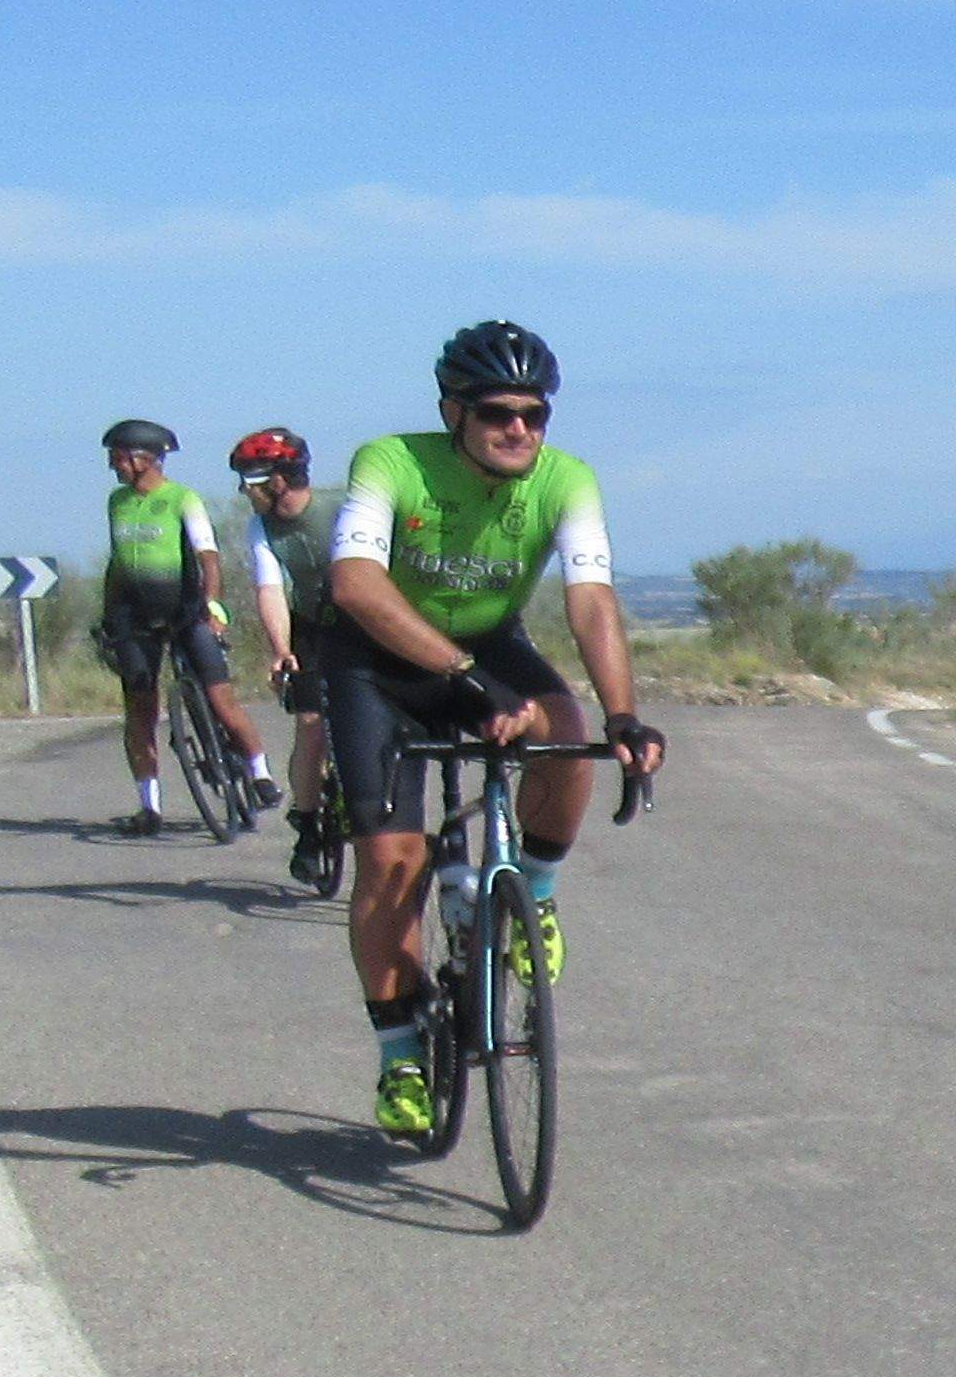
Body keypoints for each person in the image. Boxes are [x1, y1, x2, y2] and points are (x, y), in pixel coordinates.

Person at [318, 324, 666, 1136]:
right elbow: (357, 585)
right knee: (390, 863)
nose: (520, 430)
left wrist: (623, 716)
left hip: (487, 645)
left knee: (564, 729)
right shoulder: (391, 462)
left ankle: (533, 894)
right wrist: (466, 682)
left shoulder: (566, 481)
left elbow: (590, 600)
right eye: (499, 414)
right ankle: (400, 1055)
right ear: (454, 413)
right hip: (379, 663)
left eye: (534, 415)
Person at [91, 420, 272, 835]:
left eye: (118, 456)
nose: (113, 465)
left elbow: (207, 555)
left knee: (220, 699)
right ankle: (148, 806)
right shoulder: (117, 502)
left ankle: (260, 772)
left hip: (185, 609)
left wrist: (212, 606)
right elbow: (117, 565)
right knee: (139, 709)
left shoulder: (181, 499)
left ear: (145, 458)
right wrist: (108, 617)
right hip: (134, 614)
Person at [230, 426, 345, 894]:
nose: (243, 491)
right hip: (312, 625)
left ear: (278, 480)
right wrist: (282, 650)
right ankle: (310, 821)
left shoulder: (343, 508)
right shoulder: (262, 527)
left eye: (249, 480)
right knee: (311, 723)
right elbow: (271, 588)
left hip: (367, 619)